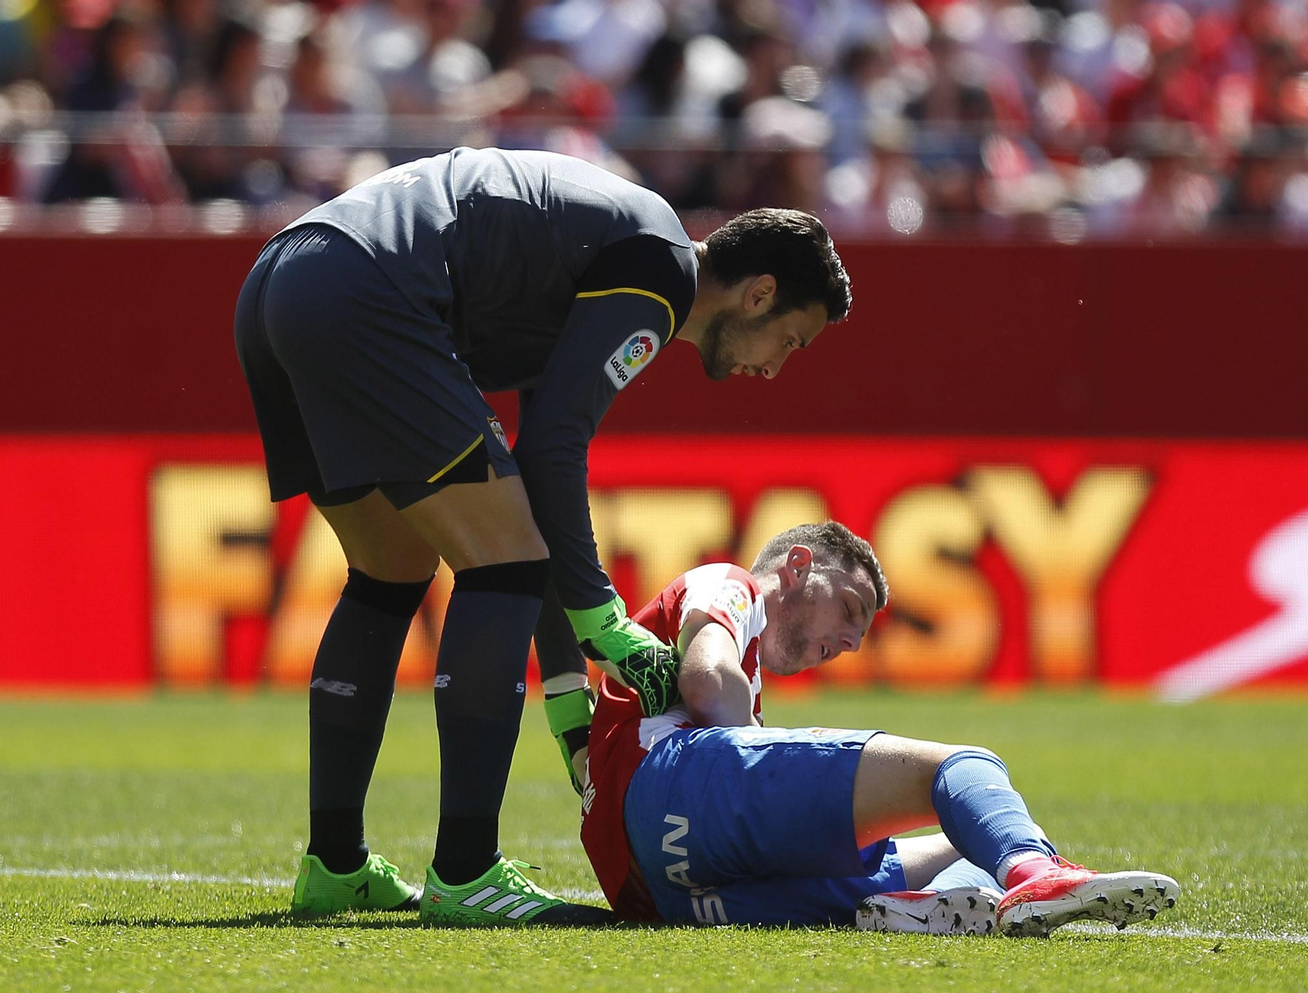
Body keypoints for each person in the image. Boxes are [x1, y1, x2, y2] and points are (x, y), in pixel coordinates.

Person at [232, 146, 852, 925]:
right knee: (503, 563)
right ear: (760, 294)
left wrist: (568, 695)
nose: (778, 369)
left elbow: (538, 481)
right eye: (792, 340)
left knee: (391, 569)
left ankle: (335, 863)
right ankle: (465, 869)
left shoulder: (613, 258)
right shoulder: (658, 270)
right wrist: (608, 628)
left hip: (282, 282)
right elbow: (550, 457)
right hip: (362, 290)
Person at [575, 522, 1181, 934]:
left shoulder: (747, 680)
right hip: (672, 794)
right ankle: (1039, 875)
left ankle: (933, 905)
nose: (847, 641)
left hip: (658, 894)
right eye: (848, 609)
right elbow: (705, 682)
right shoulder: (732, 583)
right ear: (797, 567)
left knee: (965, 841)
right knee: (964, 766)